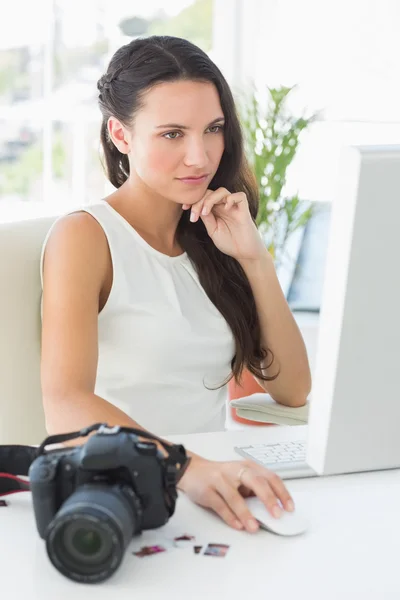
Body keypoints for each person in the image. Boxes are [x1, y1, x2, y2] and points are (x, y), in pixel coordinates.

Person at [40, 35, 311, 534]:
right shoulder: (85, 236)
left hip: (215, 490)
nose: (199, 157)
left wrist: (255, 259)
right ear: (121, 135)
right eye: (172, 134)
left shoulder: (213, 237)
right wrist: (187, 466)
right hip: (120, 494)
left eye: (213, 129)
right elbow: (64, 402)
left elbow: (292, 390)